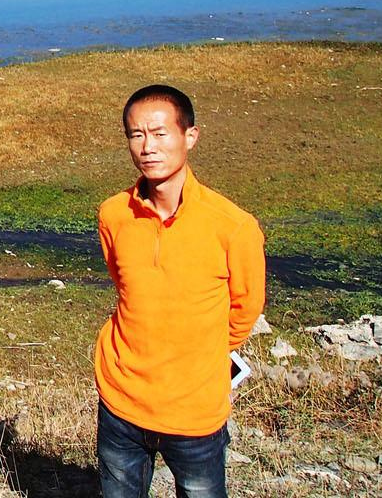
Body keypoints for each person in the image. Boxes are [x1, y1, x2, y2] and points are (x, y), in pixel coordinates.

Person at [93, 84, 266, 498]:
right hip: (121, 402)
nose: (147, 147)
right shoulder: (114, 214)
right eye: (136, 135)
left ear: (190, 136)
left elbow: (245, 310)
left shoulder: (233, 227)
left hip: (194, 414)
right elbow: (126, 286)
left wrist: (197, 354)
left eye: (159, 133)